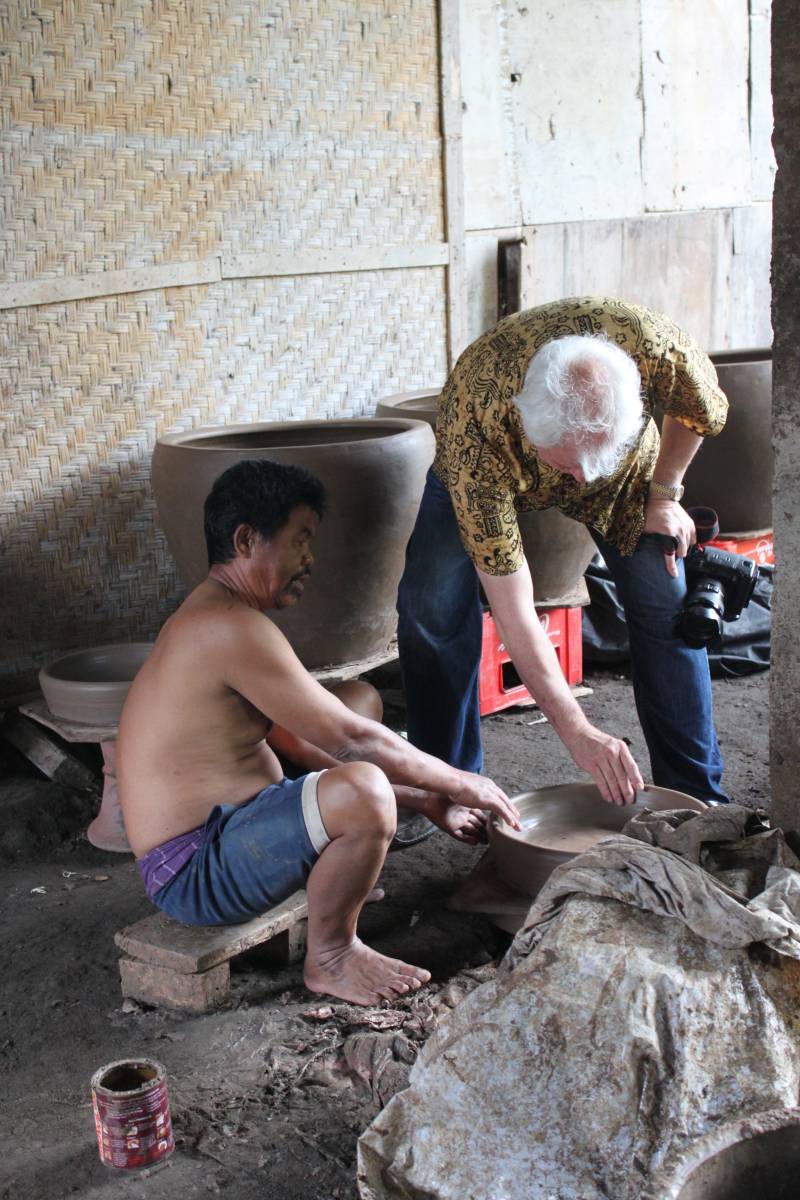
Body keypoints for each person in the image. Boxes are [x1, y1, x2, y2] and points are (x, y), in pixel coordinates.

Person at [117, 459, 519, 1008]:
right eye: (300, 540)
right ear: (245, 540)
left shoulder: (217, 615)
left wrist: (427, 799)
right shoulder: (226, 628)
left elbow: (296, 741)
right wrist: (459, 781)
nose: (309, 558)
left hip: (232, 831)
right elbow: (353, 742)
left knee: (358, 705)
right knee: (364, 788)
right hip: (196, 871)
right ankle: (331, 956)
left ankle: (334, 890)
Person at [397, 296, 730, 807]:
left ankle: (694, 797)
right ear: (527, 427)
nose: (581, 477)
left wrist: (665, 494)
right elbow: (513, 611)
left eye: (594, 454)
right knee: (431, 608)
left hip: (626, 475)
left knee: (666, 601)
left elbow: (700, 412)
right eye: (567, 464)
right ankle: (446, 788)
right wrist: (577, 731)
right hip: (488, 466)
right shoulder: (476, 428)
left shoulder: (653, 344)